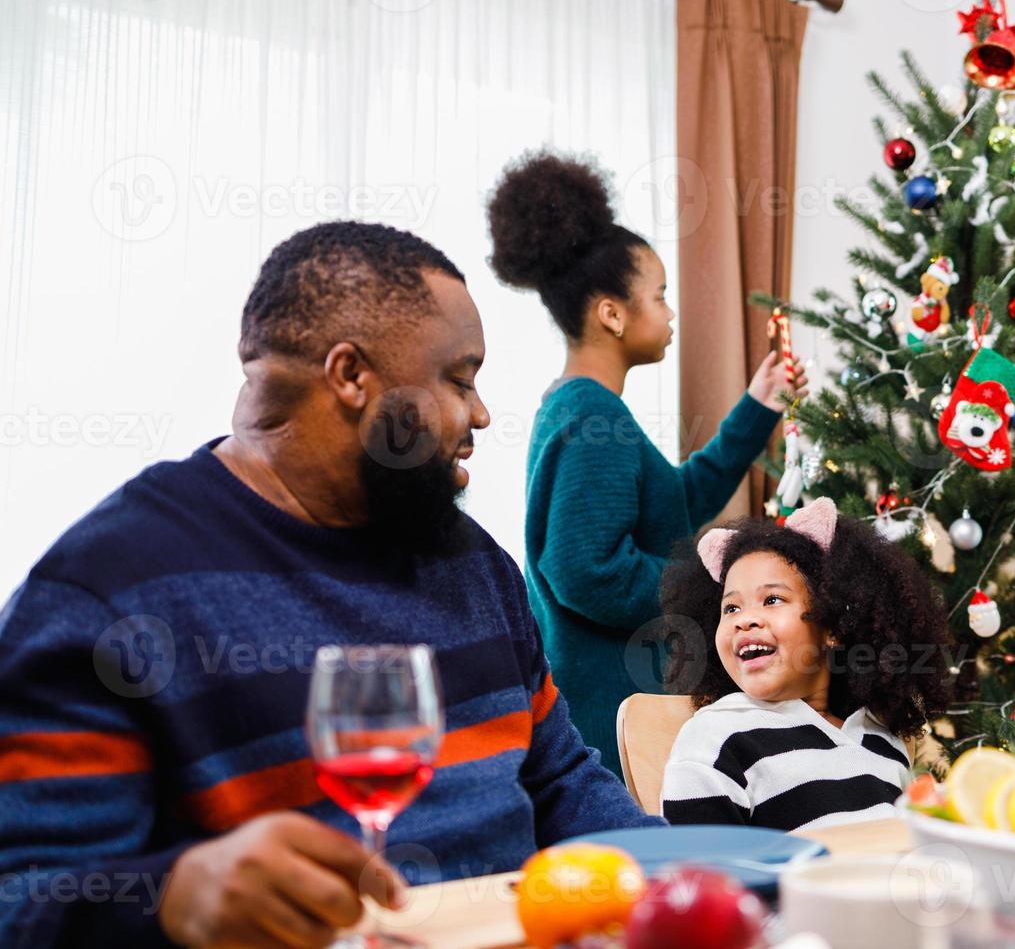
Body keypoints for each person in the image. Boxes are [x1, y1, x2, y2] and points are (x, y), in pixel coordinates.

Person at [0, 222, 661, 948]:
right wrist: (172, 898)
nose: (480, 415)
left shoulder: (473, 566)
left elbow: (561, 781)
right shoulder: (107, 591)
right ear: (350, 377)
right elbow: (22, 897)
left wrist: (691, 871)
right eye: (459, 379)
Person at [485, 152, 807, 772]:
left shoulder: (586, 410)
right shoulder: (591, 420)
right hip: (611, 713)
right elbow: (585, 570)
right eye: (658, 296)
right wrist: (714, 586)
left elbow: (677, 499)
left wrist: (757, 406)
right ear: (612, 312)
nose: (670, 313)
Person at [656, 498, 955, 830]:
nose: (746, 620)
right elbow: (700, 870)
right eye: (731, 608)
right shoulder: (717, 737)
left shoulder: (883, 740)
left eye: (772, 600)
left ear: (831, 626)